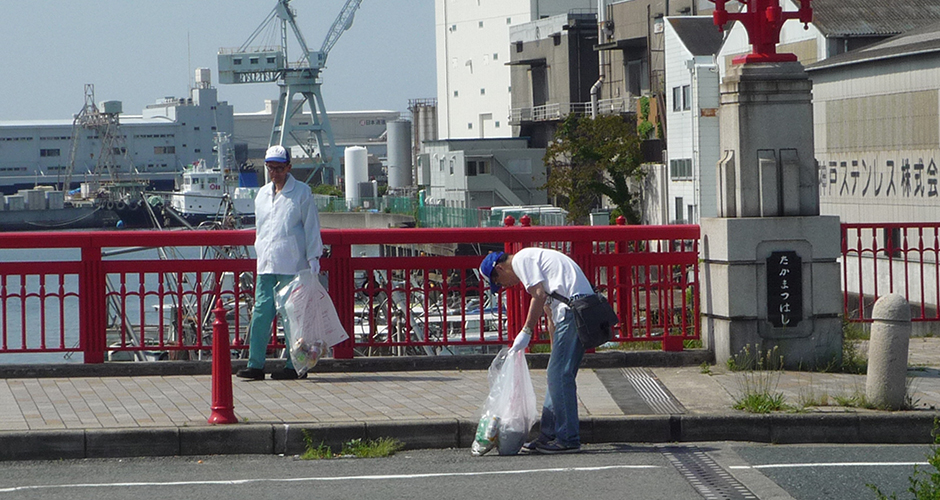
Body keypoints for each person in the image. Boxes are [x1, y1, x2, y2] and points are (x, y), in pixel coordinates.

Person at [479, 248, 594, 454]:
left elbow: (539, 296)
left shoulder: (522, 259)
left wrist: (526, 331)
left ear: (500, 268)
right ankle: (548, 436)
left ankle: (568, 439)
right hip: (576, 311)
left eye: (500, 282)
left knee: (560, 376)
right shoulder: (534, 260)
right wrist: (554, 346)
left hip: (574, 312)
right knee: (556, 374)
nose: (505, 286)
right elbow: (550, 309)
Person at [236, 145, 323, 381]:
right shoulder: (262, 194)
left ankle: (295, 365)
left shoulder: (302, 192)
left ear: (288, 167)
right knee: (261, 313)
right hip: (266, 262)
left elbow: (311, 227)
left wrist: (314, 257)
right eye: (271, 167)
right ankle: (255, 364)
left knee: (291, 315)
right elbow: (262, 229)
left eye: (279, 168)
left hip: (293, 264)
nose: (275, 172)